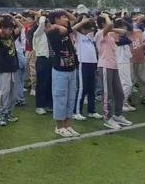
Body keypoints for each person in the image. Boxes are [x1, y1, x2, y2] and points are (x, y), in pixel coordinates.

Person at [46, 10, 81, 138]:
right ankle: (59, 127)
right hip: (60, 70)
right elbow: (65, 29)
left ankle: (68, 125)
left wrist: (65, 11)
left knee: (71, 98)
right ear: (55, 19)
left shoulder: (63, 27)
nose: (66, 19)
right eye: (63, 17)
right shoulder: (53, 31)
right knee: (60, 98)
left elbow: (74, 20)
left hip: (71, 68)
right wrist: (56, 25)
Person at [96, 14, 132, 130]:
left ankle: (117, 115)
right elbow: (110, 25)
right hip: (105, 66)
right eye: (106, 21)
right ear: (103, 24)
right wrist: (106, 16)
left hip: (114, 66)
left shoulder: (110, 34)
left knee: (120, 94)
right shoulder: (100, 33)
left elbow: (123, 32)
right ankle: (107, 118)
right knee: (108, 94)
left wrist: (111, 27)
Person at [72, 16, 102, 120]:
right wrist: (82, 21)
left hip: (92, 63)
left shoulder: (89, 36)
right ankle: (76, 112)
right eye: (87, 28)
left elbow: (95, 27)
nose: (90, 30)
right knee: (82, 89)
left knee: (91, 89)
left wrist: (91, 20)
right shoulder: (78, 35)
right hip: (83, 63)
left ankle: (91, 111)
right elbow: (72, 29)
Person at [0, 17, 20, 126]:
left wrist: (13, 18)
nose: (10, 31)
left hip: (14, 68)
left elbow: (21, 27)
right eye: (8, 29)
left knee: (13, 94)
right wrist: (1, 27)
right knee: (4, 93)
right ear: (3, 28)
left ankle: (8, 113)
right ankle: (1, 115)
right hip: (4, 69)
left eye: (11, 29)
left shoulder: (12, 36)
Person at [32, 13, 52, 115]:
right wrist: (42, 15)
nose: (49, 27)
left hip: (50, 60)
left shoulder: (49, 34)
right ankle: (39, 106)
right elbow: (41, 23)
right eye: (47, 26)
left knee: (49, 83)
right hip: (42, 60)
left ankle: (48, 104)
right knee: (42, 84)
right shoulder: (38, 33)